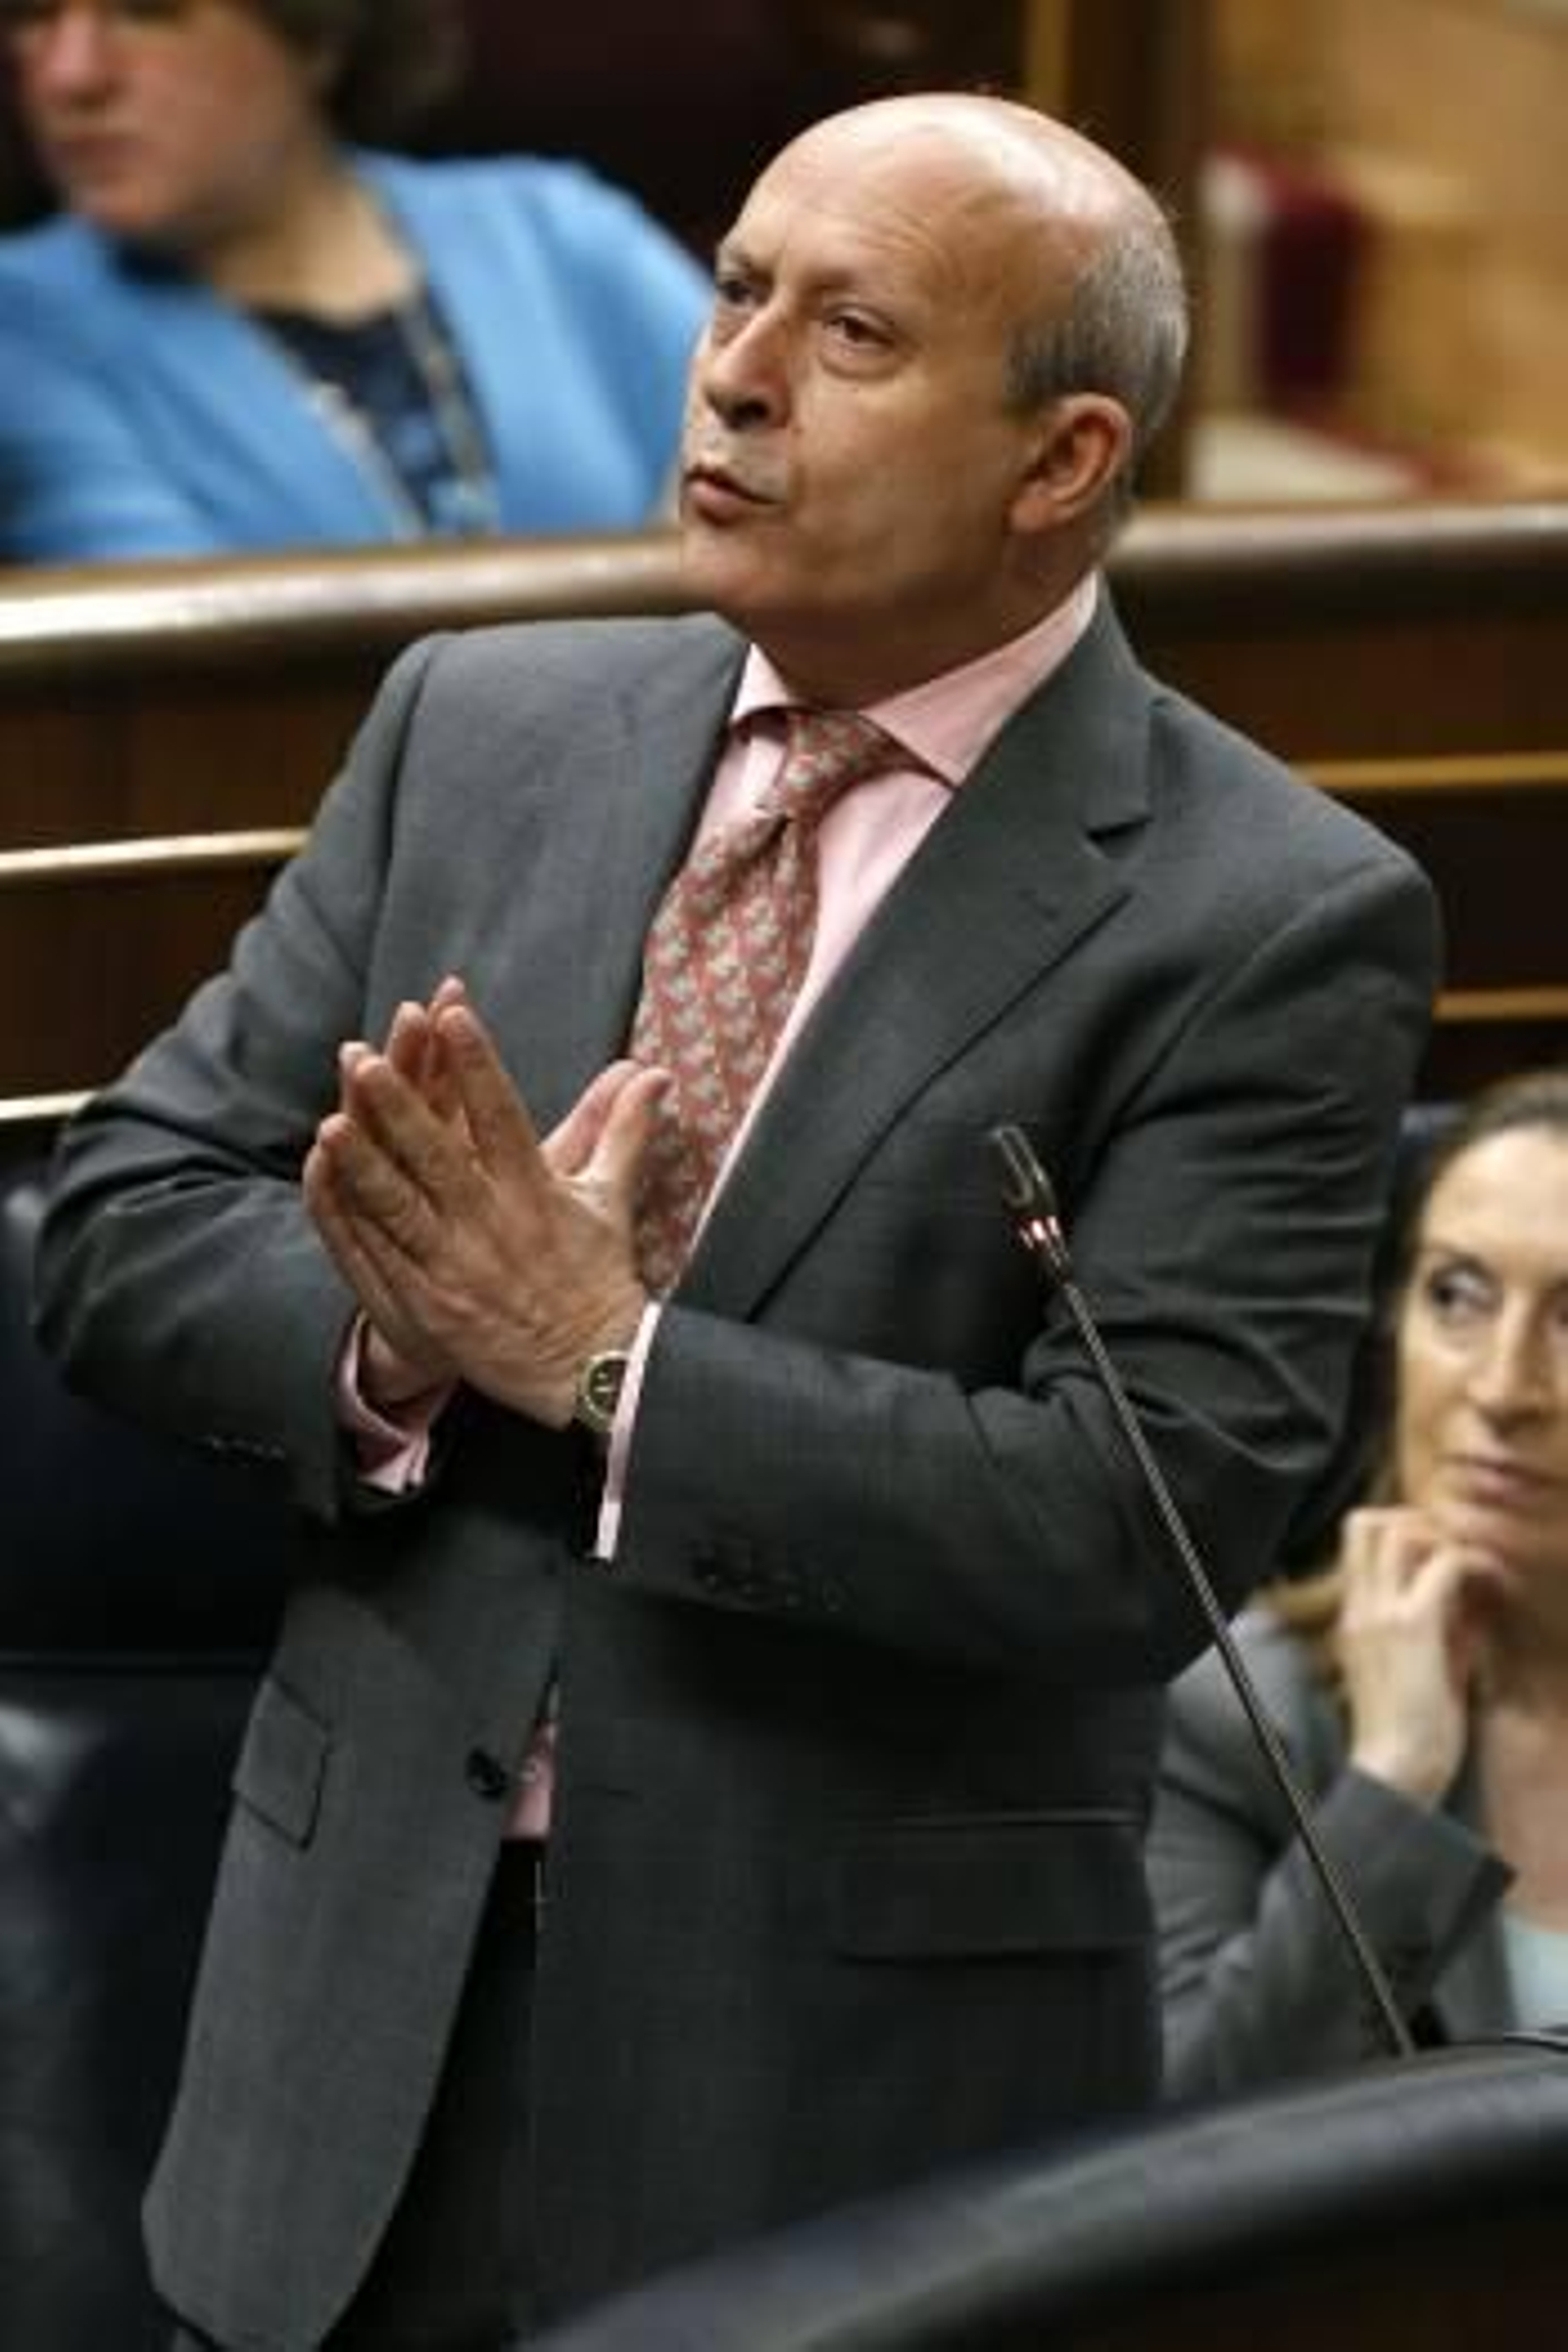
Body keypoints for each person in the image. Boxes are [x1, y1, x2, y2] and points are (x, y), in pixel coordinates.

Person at [32, 88, 1440, 2351]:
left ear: (1059, 458)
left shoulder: (1261, 916)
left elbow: (1127, 1518)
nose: (737, 373)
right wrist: (399, 1336)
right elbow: (117, 1219)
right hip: (343, 2010)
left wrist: (610, 1359)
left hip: (844, 2077)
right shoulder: (473, 730)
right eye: (734, 293)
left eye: (853, 331)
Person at [1152, 1067, 1568, 2099]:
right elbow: (1180, 2156)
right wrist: (1391, 1786)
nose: (1502, 1386)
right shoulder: (1235, 1711)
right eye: (1456, 1296)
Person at [0, 0, 708, 561]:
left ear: (315, 36)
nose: (71, 76)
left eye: (149, 10)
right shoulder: (22, 323)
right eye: (31, 14)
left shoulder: (551, 229)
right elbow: (183, 675)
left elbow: (788, 461)